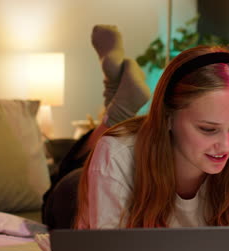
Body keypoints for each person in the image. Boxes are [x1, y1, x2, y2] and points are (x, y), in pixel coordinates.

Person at [73, 43, 229, 228]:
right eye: (208, 129)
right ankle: (115, 100)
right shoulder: (117, 155)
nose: (226, 146)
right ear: (167, 116)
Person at [41, 25, 150, 228]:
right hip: (75, 191)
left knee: (76, 175)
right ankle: (115, 108)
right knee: (78, 177)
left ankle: (114, 105)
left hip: (71, 194)